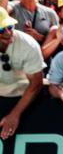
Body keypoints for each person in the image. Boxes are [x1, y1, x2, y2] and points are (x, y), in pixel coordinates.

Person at [0, 8, 44, 140]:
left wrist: (15, 115)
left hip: (24, 97)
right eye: (1, 30)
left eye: (10, 26)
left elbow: (36, 83)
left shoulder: (28, 44)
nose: (8, 33)